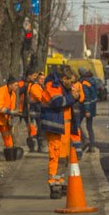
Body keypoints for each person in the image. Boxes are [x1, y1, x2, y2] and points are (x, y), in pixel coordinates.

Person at [39, 68, 77, 198]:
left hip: (64, 126)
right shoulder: (52, 86)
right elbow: (57, 102)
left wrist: (73, 95)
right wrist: (72, 97)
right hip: (55, 127)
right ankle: (53, 184)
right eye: (71, 82)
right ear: (64, 79)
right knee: (55, 155)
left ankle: (59, 181)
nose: (72, 85)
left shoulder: (62, 86)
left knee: (63, 157)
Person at [0, 75, 23, 159]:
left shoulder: (13, 94)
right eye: (15, 85)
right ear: (10, 85)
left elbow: (11, 108)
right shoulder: (1, 92)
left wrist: (11, 119)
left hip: (4, 120)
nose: (17, 87)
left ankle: (10, 155)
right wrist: (11, 112)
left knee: (8, 137)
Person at [78, 68, 103, 154]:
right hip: (92, 106)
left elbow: (86, 98)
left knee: (76, 124)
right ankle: (91, 146)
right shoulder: (92, 80)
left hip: (85, 107)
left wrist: (87, 110)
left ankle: (84, 140)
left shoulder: (84, 83)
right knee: (89, 127)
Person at [25, 71, 45, 153]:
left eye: (43, 79)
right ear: (37, 79)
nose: (42, 80)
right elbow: (40, 97)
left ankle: (39, 146)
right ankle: (33, 146)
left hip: (39, 111)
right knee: (34, 129)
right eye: (41, 78)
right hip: (34, 111)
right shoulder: (35, 87)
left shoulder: (41, 86)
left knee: (40, 129)